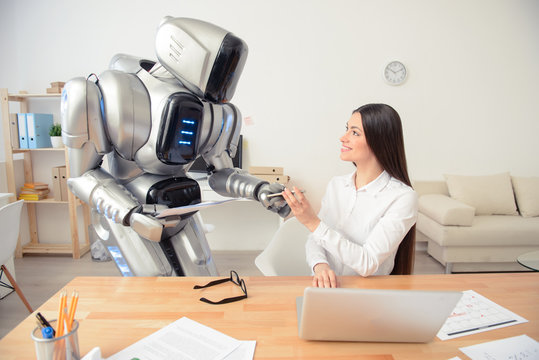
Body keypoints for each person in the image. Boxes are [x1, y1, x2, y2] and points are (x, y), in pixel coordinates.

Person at [282, 103, 417, 288]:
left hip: (370, 295)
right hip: (326, 290)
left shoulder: (402, 197)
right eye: (347, 129)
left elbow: (367, 263)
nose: (343, 138)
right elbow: (316, 239)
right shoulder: (337, 185)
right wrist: (320, 267)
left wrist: (312, 222)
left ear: (379, 140)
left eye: (354, 133)